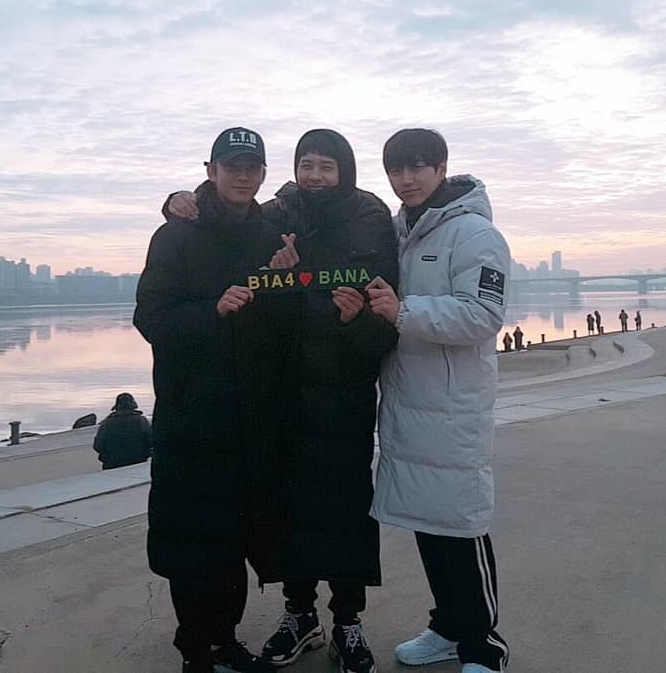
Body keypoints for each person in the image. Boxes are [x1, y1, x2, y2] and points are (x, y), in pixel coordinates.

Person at [165, 128, 399, 673]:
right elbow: (225, 209)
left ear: (345, 171)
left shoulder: (371, 219)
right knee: (287, 510)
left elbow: (386, 314)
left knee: (345, 510)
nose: (315, 176)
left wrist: (356, 322)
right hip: (282, 390)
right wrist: (180, 201)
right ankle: (300, 615)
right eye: (306, 164)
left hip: (342, 390)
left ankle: (348, 621)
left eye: (326, 166)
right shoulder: (279, 211)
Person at [134, 126, 293, 673]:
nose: (242, 176)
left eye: (251, 167)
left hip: (251, 416)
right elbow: (151, 319)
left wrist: (285, 282)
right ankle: (196, 650)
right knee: (192, 540)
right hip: (192, 416)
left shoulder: (272, 236)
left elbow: (279, 326)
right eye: (231, 167)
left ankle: (225, 641)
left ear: (264, 174)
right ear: (211, 171)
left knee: (235, 538)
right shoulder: (176, 235)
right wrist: (212, 311)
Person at [365, 128, 511, 673]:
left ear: (442, 168)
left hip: (453, 406)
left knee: (461, 524)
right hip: (408, 400)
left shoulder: (474, 233)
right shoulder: (399, 230)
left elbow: (483, 316)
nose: (406, 180)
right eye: (396, 170)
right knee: (428, 520)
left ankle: (484, 644)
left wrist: (402, 311)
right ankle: (448, 627)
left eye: (418, 167)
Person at [93, 392, 152, 469]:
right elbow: (151, 440)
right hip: (138, 461)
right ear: (133, 406)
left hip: (112, 464)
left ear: (117, 407)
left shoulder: (106, 423)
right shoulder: (141, 420)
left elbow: (98, 446)